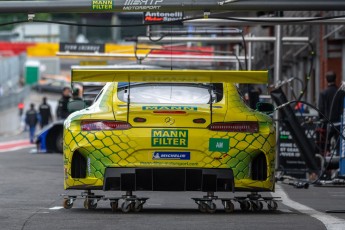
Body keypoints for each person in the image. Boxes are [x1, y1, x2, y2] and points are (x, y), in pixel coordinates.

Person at [318, 71, 345, 154]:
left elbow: (321, 108)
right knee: (339, 145)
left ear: (326, 80)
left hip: (327, 122)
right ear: (336, 79)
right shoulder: (341, 92)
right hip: (339, 122)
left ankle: (325, 158)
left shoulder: (323, 93)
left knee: (325, 144)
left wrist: (321, 119)